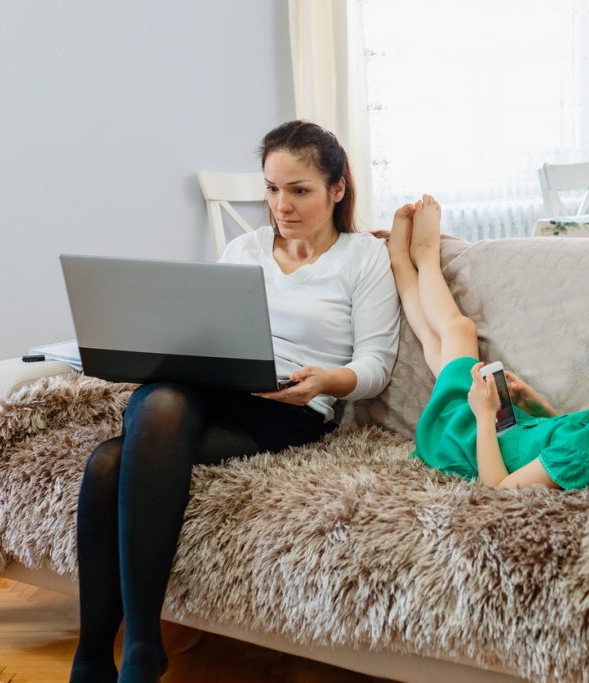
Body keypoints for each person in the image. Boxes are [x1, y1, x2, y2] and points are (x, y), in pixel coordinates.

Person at [69, 121, 400, 683]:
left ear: (337, 189)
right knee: (162, 399)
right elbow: (205, 331)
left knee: (109, 461)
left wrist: (324, 382)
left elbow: (375, 365)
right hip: (211, 391)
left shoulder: (362, 258)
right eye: (272, 189)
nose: (282, 205)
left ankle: (115, 654)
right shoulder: (243, 249)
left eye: (300, 190)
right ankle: (123, 652)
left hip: (288, 408)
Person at [387, 194, 589, 489]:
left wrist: (485, 416)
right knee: (438, 345)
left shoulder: (581, 456)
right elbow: (562, 434)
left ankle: (423, 256)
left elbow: (500, 487)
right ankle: (403, 261)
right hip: (496, 428)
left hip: (463, 442)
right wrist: (534, 402)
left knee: (458, 331)